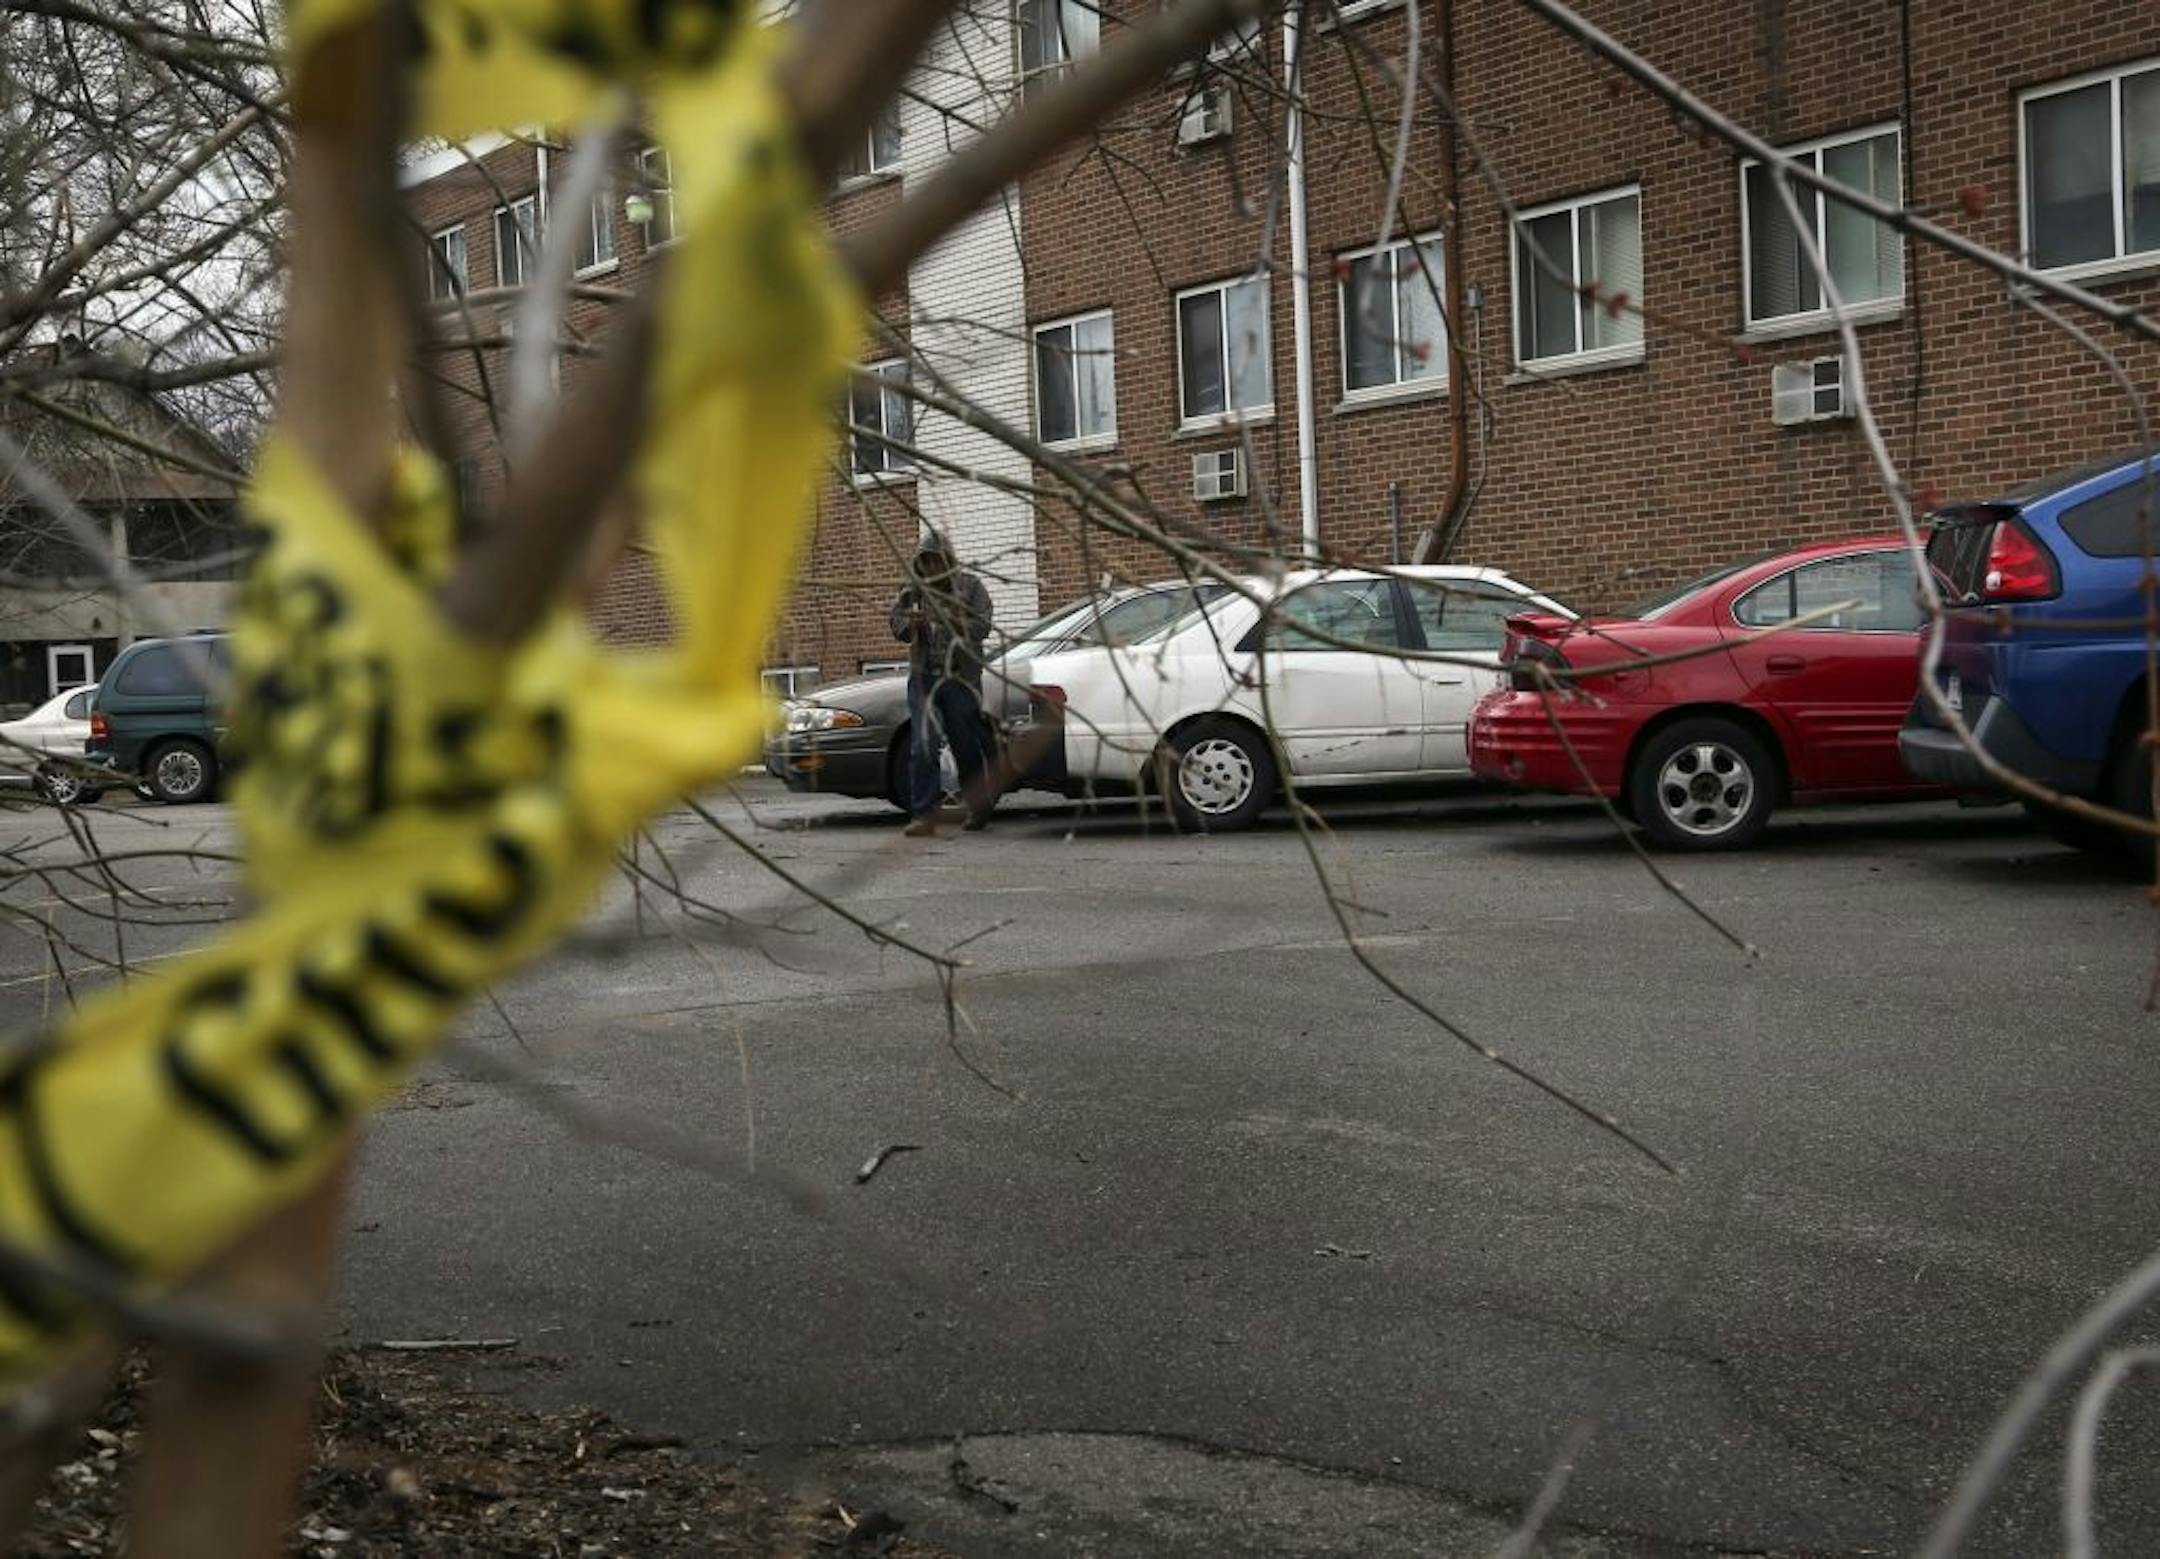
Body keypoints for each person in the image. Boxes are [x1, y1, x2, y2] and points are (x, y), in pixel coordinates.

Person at [888, 532, 995, 836]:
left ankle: (978, 804)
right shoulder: (912, 589)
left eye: (936, 560)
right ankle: (924, 814)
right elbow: (896, 623)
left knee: (966, 744)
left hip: (960, 677)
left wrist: (950, 617)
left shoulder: (971, 587)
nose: (931, 567)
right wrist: (912, 624)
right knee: (924, 743)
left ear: (948, 560)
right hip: (924, 677)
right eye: (926, 561)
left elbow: (982, 626)